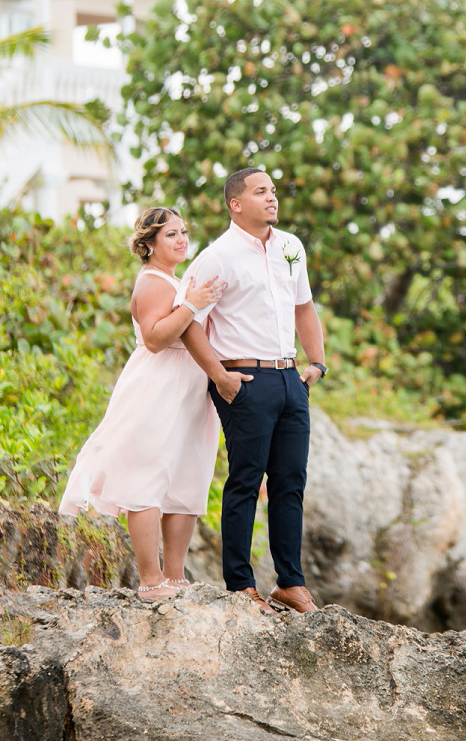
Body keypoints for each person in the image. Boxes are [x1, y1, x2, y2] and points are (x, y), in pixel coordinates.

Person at [175, 167, 327, 615]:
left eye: (274, 191)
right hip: (244, 380)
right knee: (245, 480)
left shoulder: (290, 247)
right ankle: (240, 586)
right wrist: (219, 376)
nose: (272, 198)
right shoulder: (215, 258)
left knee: (290, 482)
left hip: (290, 378)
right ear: (235, 203)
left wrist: (316, 362)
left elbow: (304, 307)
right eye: (261, 192)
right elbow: (189, 324)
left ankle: (291, 584)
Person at [59, 207, 228, 602]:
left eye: (184, 231)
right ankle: (151, 579)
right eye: (171, 234)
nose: (182, 239)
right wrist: (191, 304)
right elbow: (154, 338)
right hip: (159, 386)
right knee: (147, 476)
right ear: (149, 244)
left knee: (188, 476)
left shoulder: (177, 279)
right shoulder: (153, 282)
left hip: (191, 387)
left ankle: (175, 576)